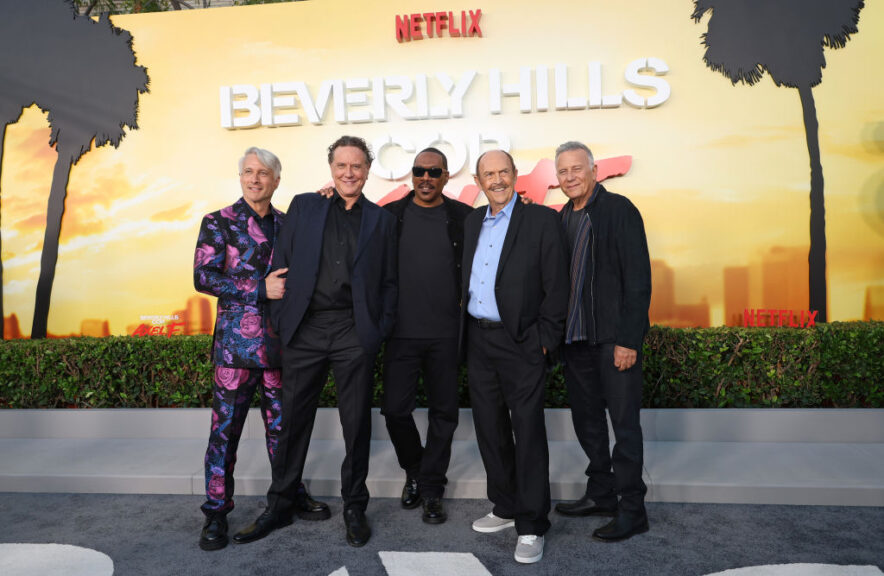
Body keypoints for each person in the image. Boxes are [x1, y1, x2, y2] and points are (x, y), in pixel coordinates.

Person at [233, 136, 397, 548]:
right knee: (292, 423)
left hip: (352, 332)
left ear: (367, 169)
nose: (349, 173)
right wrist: (284, 322)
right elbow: (280, 263)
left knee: (356, 423)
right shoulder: (306, 206)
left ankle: (355, 506)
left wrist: (375, 332)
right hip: (305, 330)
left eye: (357, 166)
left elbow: (390, 282)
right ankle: (281, 504)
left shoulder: (381, 220)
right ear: (331, 168)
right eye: (341, 165)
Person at [193, 147, 329, 552]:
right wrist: (258, 288)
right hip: (234, 353)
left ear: (276, 180)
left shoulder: (290, 224)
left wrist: (330, 203)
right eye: (249, 172)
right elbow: (203, 276)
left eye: (263, 173)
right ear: (241, 178)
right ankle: (216, 513)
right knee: (224, 436)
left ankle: (290, 495)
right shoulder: (218, 222)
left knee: (283, 432)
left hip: (281, 348)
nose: (255, 179)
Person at [461, 149, 569, 564]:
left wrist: (545, 338)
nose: (497, 179)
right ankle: (505, 506)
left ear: (515, 175)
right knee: (489, 429)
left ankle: (532, 524)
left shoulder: (541, 220)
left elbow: (556, 285)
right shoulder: (472, 222)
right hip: (478, 339)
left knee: (527, 433)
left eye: (503, 172)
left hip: (522, 342)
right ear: (479, 179)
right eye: (489, 174)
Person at [551, 141, 652, 542]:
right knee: (588, 423)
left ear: (594, 171)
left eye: (577, 168)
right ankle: (601, 494)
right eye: (563, 172)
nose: (570, 176)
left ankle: (633, 509)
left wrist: (629, 339)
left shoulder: (618, 210)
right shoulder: (561, 217)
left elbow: (639, 280)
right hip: (576, 342)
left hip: (613, 342)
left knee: (624, 427)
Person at [381, 148, 473, 524]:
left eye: (434, 172)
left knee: (444, 414)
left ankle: (431, 488)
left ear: (446, 177)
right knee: (394, 410)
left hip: (447, 335)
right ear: (411, 174)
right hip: (400, 334)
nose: (426, 177)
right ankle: (415, 470)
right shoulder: (389, 217)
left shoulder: (464, 218)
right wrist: (327, 199)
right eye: (419, 170)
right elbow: (348, 220)